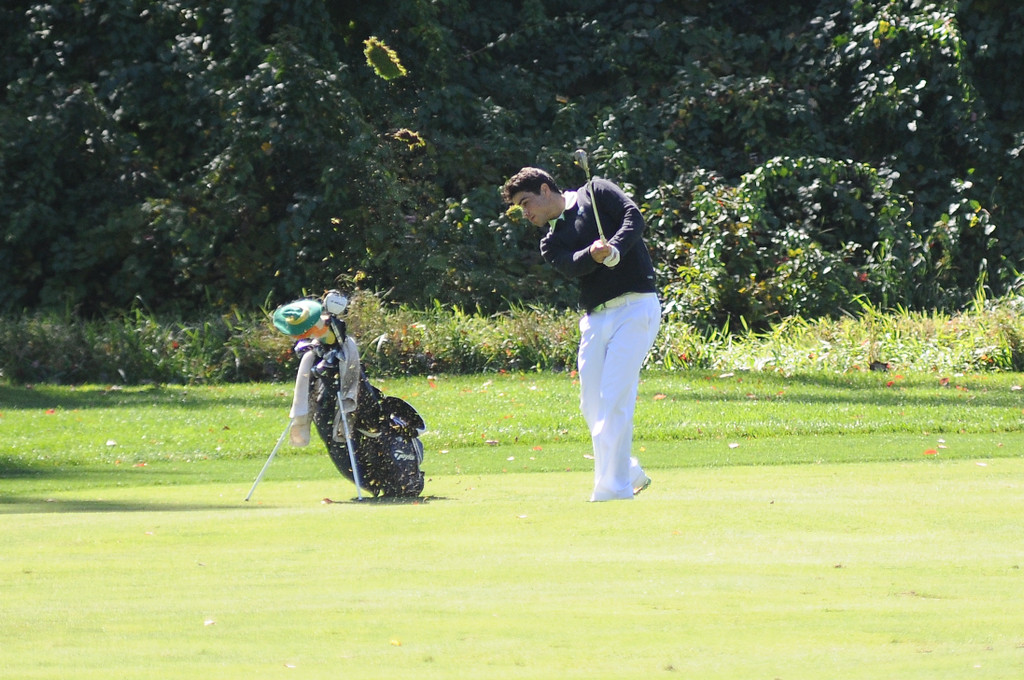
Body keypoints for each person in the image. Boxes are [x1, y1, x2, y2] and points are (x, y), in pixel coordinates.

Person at [502, 166, 661, 501]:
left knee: (614, 397)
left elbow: (634, 218)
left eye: (526, 202)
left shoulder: (596, 190)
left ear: (546, 190)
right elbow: (572, 264)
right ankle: (629, 471)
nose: (525, 212)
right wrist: (593, 253)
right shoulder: (550, 241)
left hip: (635, 308)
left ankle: (612, 490)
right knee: (592, 405)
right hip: (596, 319)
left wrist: (615, 248)